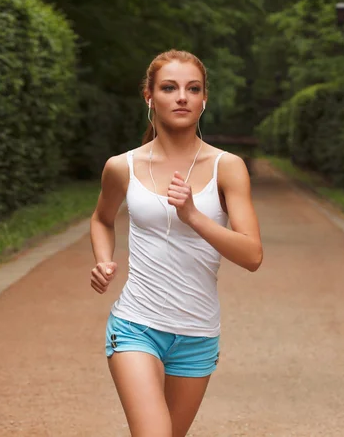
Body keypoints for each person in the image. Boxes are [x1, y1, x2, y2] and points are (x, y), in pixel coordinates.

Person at [89, 49, 263, 437]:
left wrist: (194, 216)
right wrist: (103, 260)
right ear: (149, 96)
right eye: (169, 87)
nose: (181, 96)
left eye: (193, 88)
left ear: (204, 99)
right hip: (137, 325)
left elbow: (252, 255)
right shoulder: (122, 166)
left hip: (198, 333)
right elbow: (101, 220)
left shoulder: (227, 167)